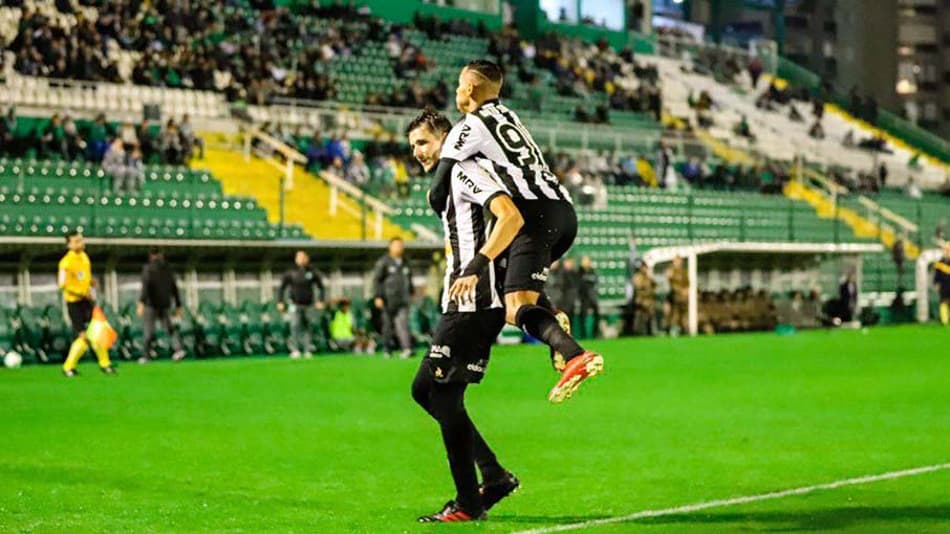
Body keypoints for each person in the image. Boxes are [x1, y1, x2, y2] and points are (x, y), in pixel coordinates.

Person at [427, 59, 603, 403]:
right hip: (562, 210)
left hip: (532, 215)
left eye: (460, 84)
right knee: (509, 281)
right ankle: (551, 316)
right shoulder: (510, 117)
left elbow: (439, 189)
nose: (457, 90)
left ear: (471, 89)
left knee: (512, 306)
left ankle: (574, 354)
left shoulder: (469, 127)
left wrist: (448, 218)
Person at [407, 108, 520, 523]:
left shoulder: (463, 170)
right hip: (459, 302)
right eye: (413, 146)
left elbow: (509, 216)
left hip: (475, 302)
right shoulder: (446, 179)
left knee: (440, 395)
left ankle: (469, 502)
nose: (418, 152)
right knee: (426, 391)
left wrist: (477, 267)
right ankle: (492, 476)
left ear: (447, 138)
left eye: (423, 142)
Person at [59, 231, 115, 377]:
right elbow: (62, 284)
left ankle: (105, 364)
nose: (80, 243)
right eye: (76, 241)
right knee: (83, 336)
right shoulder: (65, 262)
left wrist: (90, 282)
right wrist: (81, 292)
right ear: (69, 244)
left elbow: (84, 276)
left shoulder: (84, 257)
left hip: (87, 302)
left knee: (97, 332)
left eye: (81, 240)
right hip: (74, 303)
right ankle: (68, 367)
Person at [137, 248, 186, 363]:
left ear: (150, 256)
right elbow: (174, 287)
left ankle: (146, 355)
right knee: (170, 328)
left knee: (148, 330)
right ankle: (178, 349)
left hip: (151, 303)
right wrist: (178, 304)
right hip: (165, 303)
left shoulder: (148, 268)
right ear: (161, 255)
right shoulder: (168, 269)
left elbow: (146, 287)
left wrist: (141, 303)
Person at [277, 250, 326, 359]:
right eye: (299, 257)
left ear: (307, 258)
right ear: (296, 259)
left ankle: (308, 349)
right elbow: (281, 288)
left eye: (303, 257)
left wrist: (320, 300)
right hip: (294, 303)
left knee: (309, 325)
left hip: (309, 304)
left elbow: (321, 287)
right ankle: (295, 349)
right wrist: (280, 301)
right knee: (294, 325)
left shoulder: (312, 272)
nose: (301, 259)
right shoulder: (291, 272)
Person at [372, 237, 414, 358]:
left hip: (403, 299)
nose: (398, 248)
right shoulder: (384, 262)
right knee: (387, 325)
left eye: (400, 245)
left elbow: (409, 279)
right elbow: (377, 280)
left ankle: (406, 348)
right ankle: (387, 349)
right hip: (388, 299)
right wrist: (378, 296)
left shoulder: (406, 262)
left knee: (403, 324)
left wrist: (411, 292)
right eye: (396, 245)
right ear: (390, 247)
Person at [577, 256, 599, 338]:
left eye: (587, 261)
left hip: (593, 296)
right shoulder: (580, 271)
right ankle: (583, 334)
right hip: (584, 297)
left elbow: (595, 280)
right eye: (584, 261)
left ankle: (595, 333)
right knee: (583, 316)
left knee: (597, 315)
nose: (586, 263)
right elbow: (579, 283)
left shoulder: (592, 271)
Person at [632, 261, 655, 335]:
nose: (645, 269)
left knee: (649, 317)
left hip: (648, 300)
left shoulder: (648, 277)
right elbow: (639, 288)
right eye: (644, 267)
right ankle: (637, 333)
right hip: (640, 301)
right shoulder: (637, 277)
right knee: (639, 318)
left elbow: (654, 285)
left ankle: (649, 332)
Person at [667, 255, 689, 334]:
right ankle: (671, 330)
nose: (678, 263)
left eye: (679, 261)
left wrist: (685, 292)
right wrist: (680, 290)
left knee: (683, 316)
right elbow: (671, 283)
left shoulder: (684, 272)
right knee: (673, 314)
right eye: (676, 261)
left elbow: (687, 285)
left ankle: (684, 330)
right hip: (673, 297)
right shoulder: (671, 270)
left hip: (682, 298)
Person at [934, 242, 950, 325]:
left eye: (948, 250)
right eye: (945, 250)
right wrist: (936, 283)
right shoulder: (940, 262)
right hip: (943, 285)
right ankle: (945, 321)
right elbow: (937, 275)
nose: (947, 251)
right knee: (943, 302)